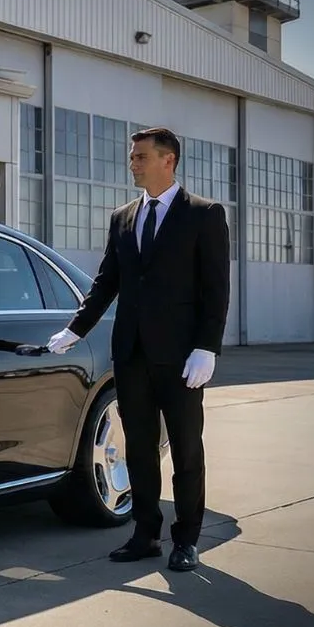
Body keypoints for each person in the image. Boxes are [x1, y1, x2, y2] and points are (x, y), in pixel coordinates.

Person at [46, 126, 230, 572]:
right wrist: (76, 329)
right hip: (131, 354)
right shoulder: (123, 217)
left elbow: (216, 289)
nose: (133, 163)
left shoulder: (204, 215)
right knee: (139, 448)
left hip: (183, 357)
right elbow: (108, 280)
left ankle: (185, 539)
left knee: (186, 449)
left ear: (168, 160)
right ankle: (145, 533)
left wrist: (207, 347)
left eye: (141, 156)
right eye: (132, 157)